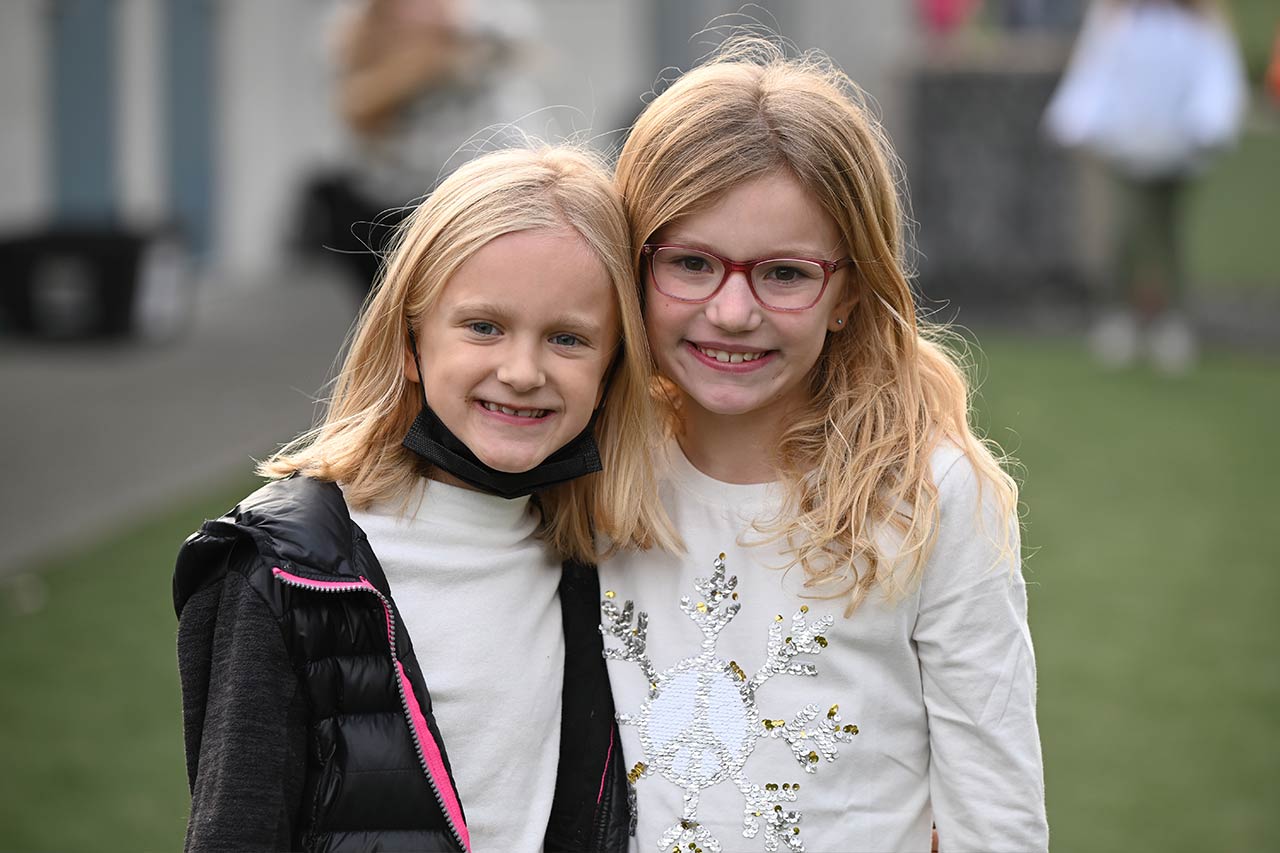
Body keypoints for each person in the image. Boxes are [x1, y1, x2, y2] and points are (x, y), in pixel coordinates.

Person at [598, 39, 1048, 852]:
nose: (733, 311)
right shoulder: (586, 479)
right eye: (691, 263)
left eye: (785, 274)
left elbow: (997, 810)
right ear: (632, 268)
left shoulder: (931, 494)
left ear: (847, 288)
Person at [173, 146, 677, 852]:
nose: (522, 370)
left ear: (612, 367)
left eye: (568, 338)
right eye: (484, 326)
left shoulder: (603, 560)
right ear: (411, 340)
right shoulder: (283, 571)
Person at [1043, 0, 1247, 372]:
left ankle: (1171, 321)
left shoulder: (1199, 22)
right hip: (1129, 148)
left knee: (1167, 234)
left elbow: (1215, 77)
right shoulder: (1118, 18)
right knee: (1130, 231)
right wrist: (1074, 119)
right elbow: (1095, 72)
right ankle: (1121, 315)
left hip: (1180, 150)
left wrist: (1208, 125)